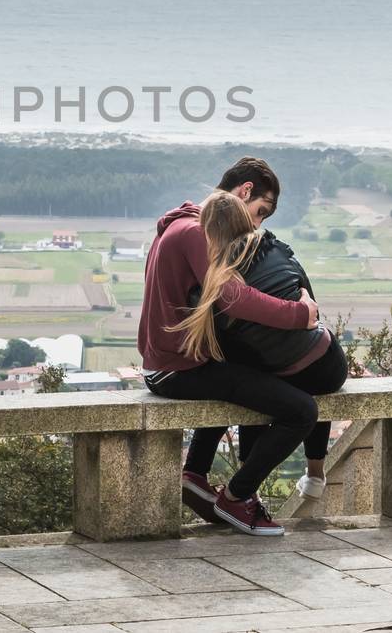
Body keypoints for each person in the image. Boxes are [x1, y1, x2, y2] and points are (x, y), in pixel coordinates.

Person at [138, 157, 319, 535]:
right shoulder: (194, 232)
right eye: (260, 212)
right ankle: (237, 499)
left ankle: (195, 473)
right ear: (245, 190)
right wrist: (300, 315)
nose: (256, 225)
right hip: (178, 369)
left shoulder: (178, 225)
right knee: (300, 411)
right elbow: (233, 298)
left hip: (169, 363)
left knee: (247, 372)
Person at [174, 191, 349, 512]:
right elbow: (308, 299)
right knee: (306, 384)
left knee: (251, 374)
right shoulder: (276, 248)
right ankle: (315, 474)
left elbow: (221, 343)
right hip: (327, 362)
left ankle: (242, 486)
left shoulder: (213, 283)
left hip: (278, 365)